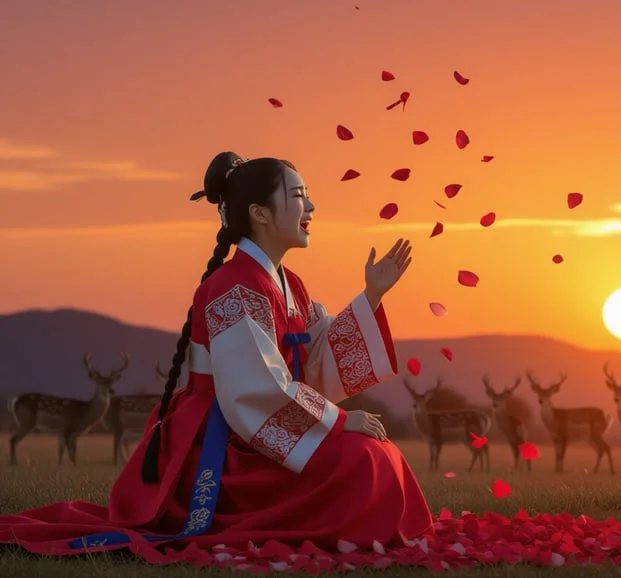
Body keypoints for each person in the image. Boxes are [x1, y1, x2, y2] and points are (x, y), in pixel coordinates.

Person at [0, 152, 433, 557]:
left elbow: (313, 358)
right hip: (223, 438)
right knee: (364, 460)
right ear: (259, 213)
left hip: (258, 427)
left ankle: (354, 527)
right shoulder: (234, 287)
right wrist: (339, 420)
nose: (312, 206)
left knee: (373, 454)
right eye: (299, 196)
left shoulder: (290, 284)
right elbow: (256, 387)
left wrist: (371, 296)